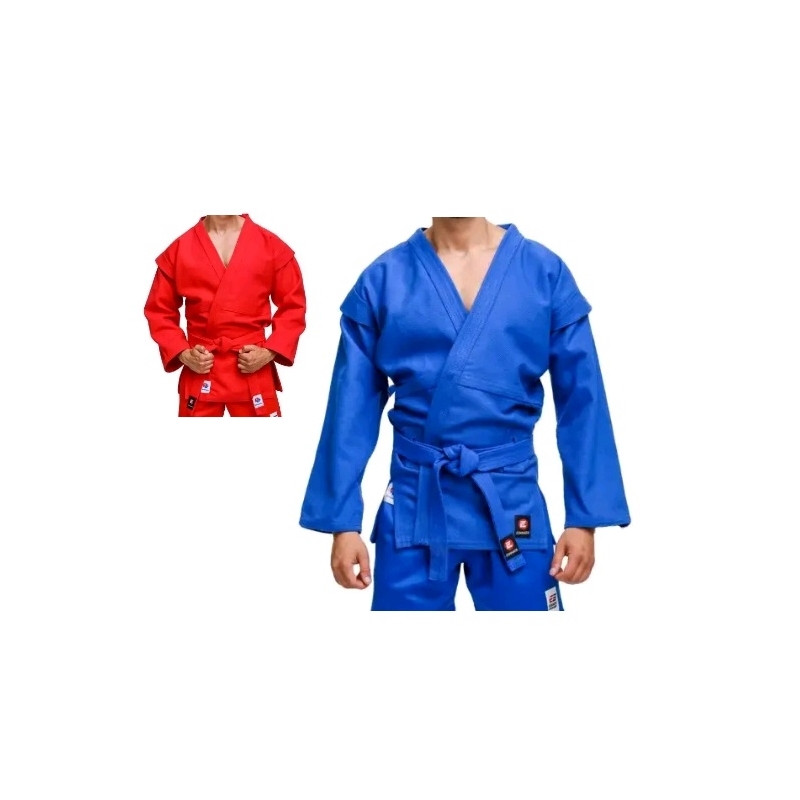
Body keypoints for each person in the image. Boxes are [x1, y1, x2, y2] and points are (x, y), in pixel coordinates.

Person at [299, 217, 630, 610]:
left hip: (511, 502)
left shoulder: (543, 272)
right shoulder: (384, 279)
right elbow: (349, 410)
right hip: (416, 502)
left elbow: (584, 402)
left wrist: (584, 519)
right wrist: (342, 522)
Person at [144, 214, 306, 417]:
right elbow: (159, 310)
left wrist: (269, 352)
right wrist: (182, 353)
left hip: (252, 364)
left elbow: (293, 307)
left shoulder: (271, 245)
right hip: (201, 365)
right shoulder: (180, 248)